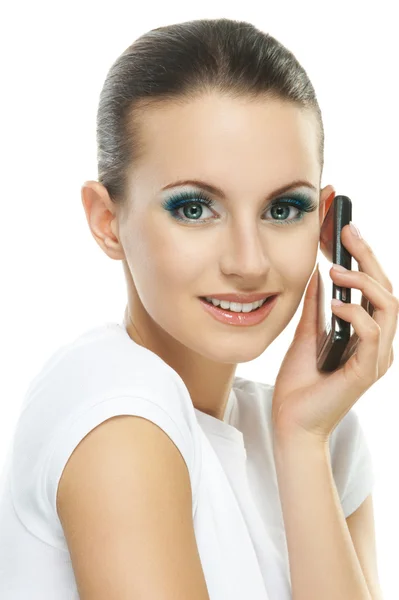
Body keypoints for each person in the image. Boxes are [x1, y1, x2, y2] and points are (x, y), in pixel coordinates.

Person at [0, 17, 395, 600]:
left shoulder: (322, 435)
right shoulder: (116, 409)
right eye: (193, 208)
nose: (248, 261)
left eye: (283, 208)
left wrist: (301, 439)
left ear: (326, 223)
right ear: (107, 221)